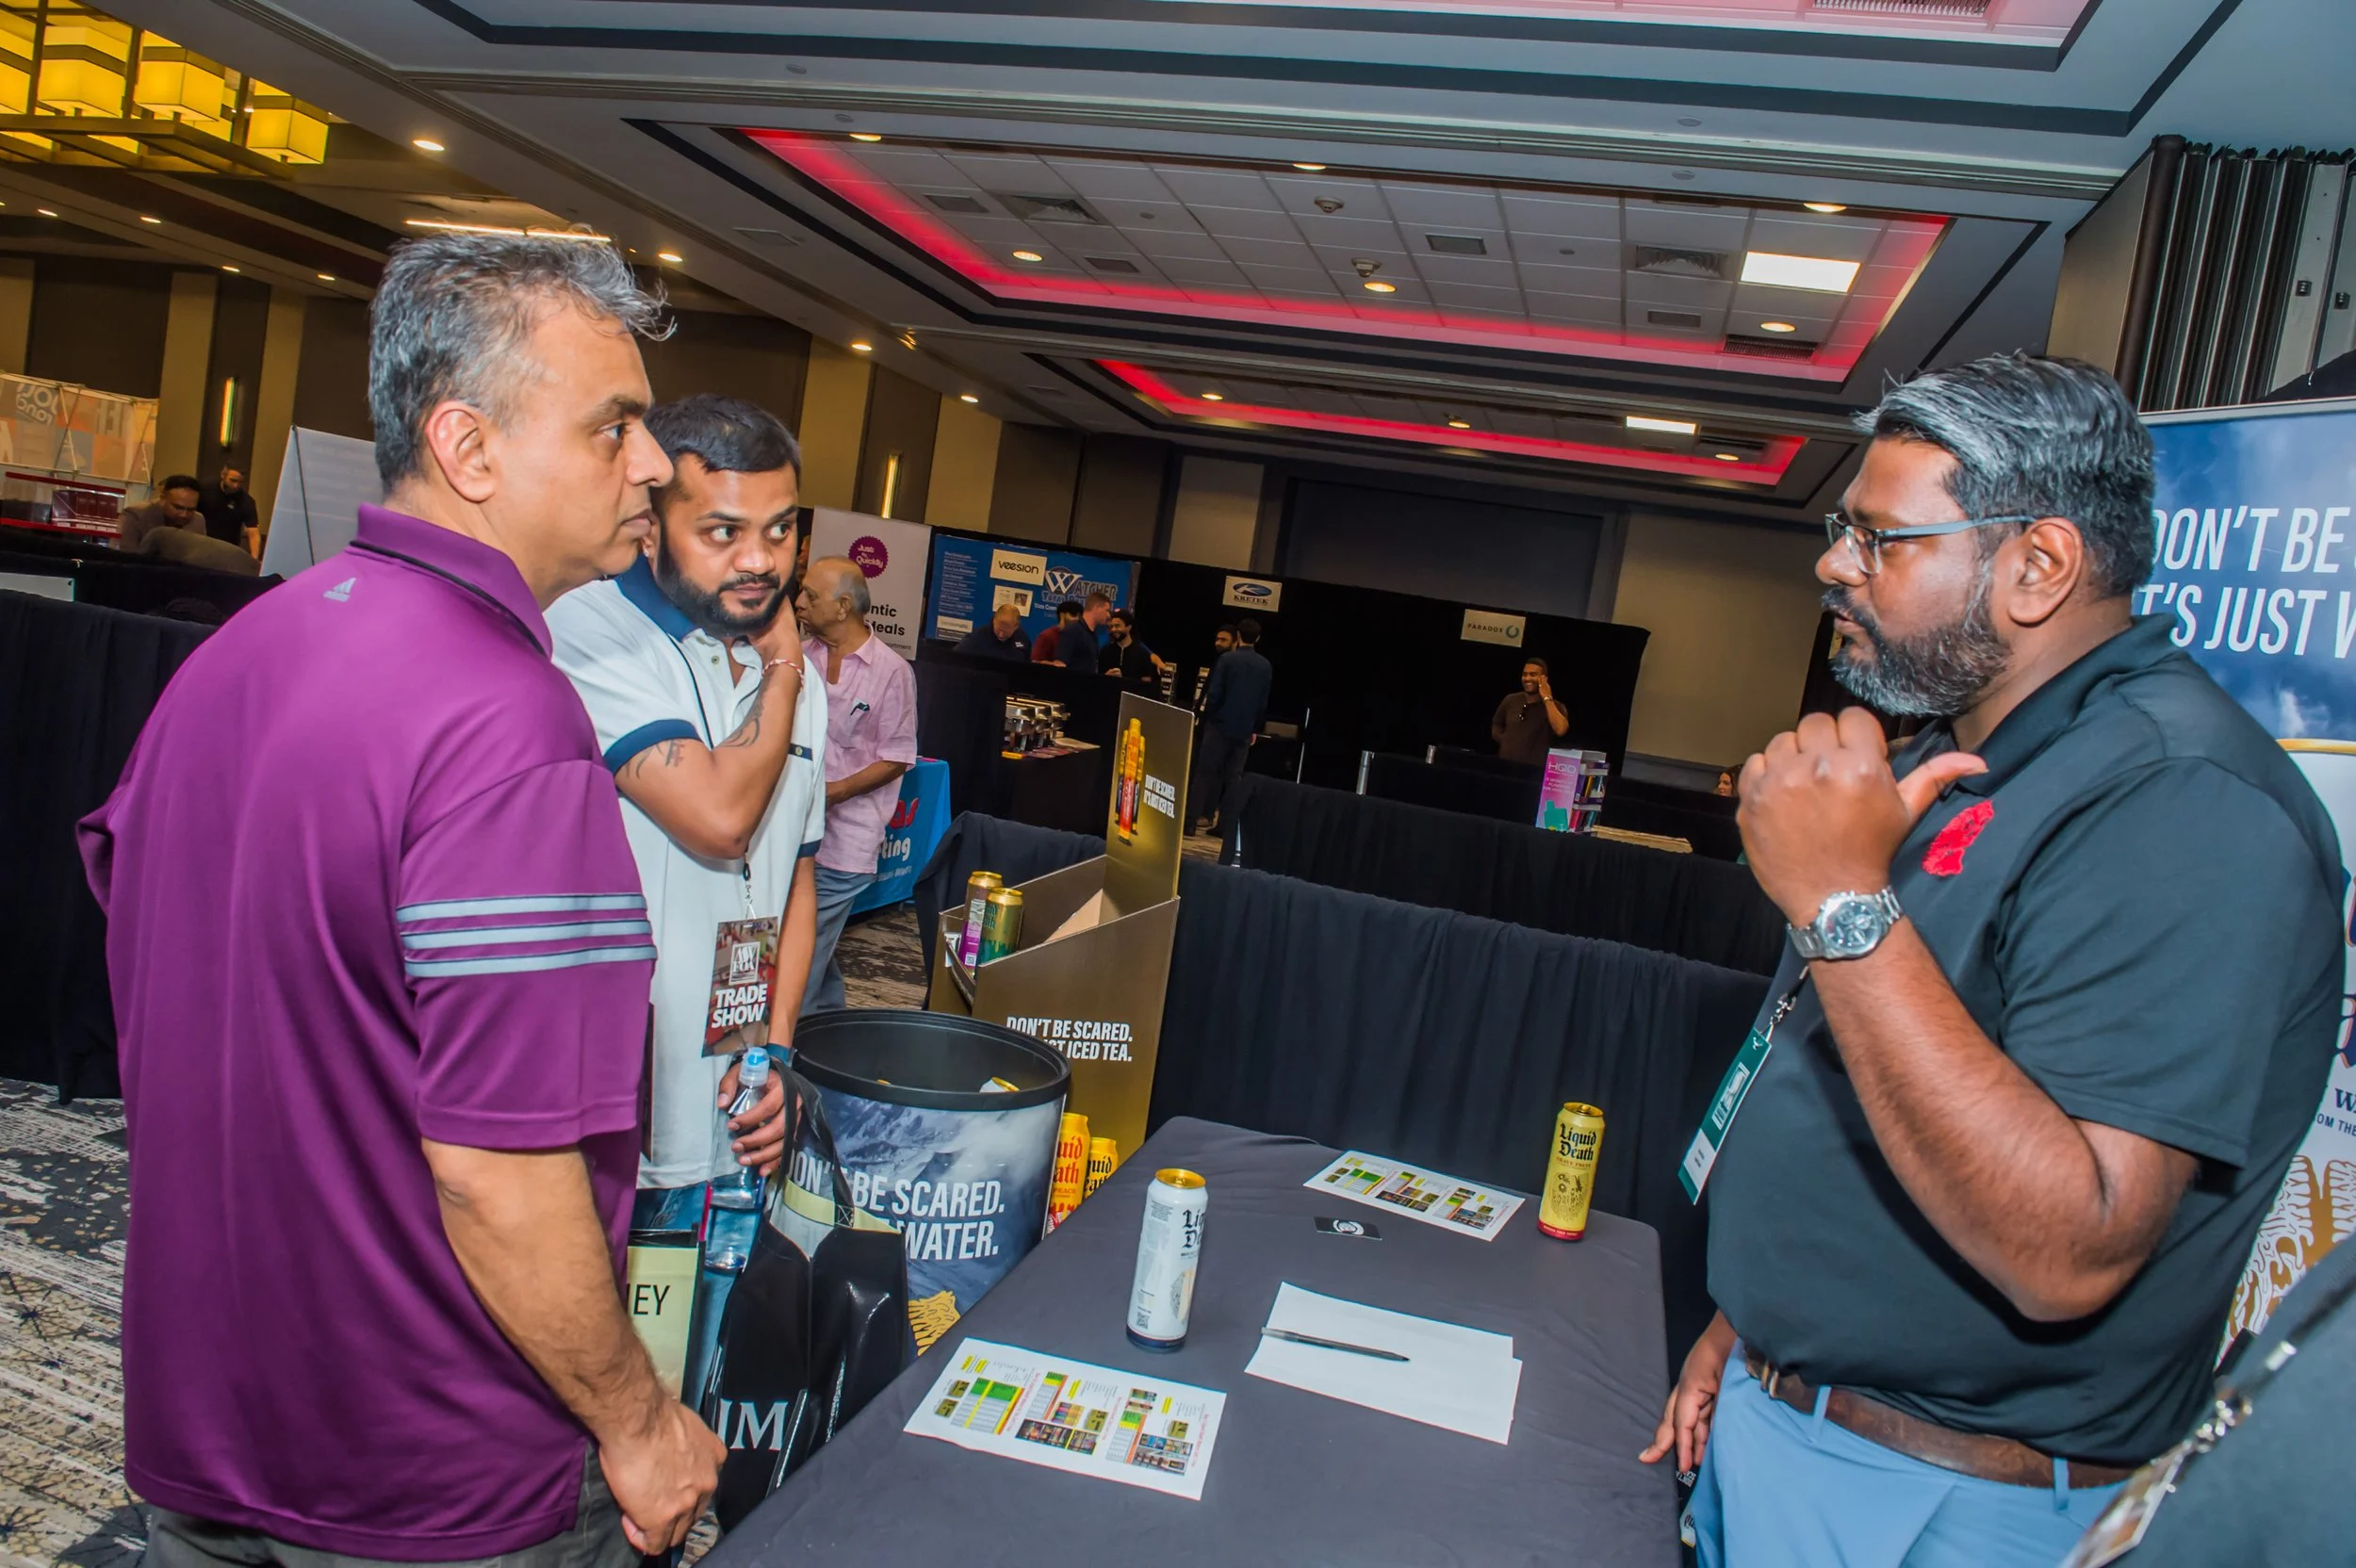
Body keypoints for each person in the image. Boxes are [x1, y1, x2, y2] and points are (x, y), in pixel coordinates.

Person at [79, 234, 725, 1562]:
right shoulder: (509, 723)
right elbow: (500, 1169)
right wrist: (638, 1420)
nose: (654, 465)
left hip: (207, 1419)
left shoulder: (239, 651)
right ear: (468, 448)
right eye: (613, 427)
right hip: (430, 1473)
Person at [1640, 354, 2341, 1568]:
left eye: (1879, 537)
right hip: (1790, 1418)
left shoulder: (2180, 798)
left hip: (1944, 1503)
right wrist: (1751, 1325)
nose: (1834, 564)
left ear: (2037, 566)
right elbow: (1872, 1074)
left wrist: (1841, 902)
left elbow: (2069, 1245)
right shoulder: (1966, 757)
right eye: (1841, 530)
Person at [544, 391, 814, 1392]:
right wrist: (786, 671)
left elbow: (790, 873)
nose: (760, 560)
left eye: (780, 529)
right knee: (590, 1387)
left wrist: (776, 1051)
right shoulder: (590, 630)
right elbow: (719, 817)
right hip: (611, 1115)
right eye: (723, 532)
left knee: (696, 1382)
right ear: (653, 523)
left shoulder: (793, 671)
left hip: (734, 1106)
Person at [797, 555, 918, 1012]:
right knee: (810, 941)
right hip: (794, 833)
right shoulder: (800, 656)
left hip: (846, 840)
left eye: (810, 596)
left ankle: (788, 1043)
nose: (799, 603)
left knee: (802, 950)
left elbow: (897, 757)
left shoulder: (891, 672)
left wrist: (832, 795)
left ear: (843, 606)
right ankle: (829, 1025)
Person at [1190, 616, 1271, 834]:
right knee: (1234, 777)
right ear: (1258, 638)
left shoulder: (1227, 660)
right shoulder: (1265, 666)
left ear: (1238, 637)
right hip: (1244, 728)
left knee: (1205, 773)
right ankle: (1225, 825)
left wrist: (1210, 718)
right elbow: (1262, 702)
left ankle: (1189, 822)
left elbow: (1214, 694)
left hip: (1219, 725)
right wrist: (1254, 727)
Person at [117, 473, 261, 576]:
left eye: (190, 509)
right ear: (162, 499)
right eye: (178, 507)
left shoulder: (198, 520)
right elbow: (126, 561)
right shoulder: (135, 516)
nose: (184, 515)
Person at [1491, 657, 1569, 764]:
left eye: (1533, 675)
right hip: (1505, 765)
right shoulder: (1510, 700)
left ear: (1544, 679)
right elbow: (1496, 726)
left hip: (1534, 770)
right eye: (1525, 674)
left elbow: (1561, 730)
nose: (1527, 678)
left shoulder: (1555, 706)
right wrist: (1507, 742)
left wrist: (1547, 698)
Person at [1106, 607, 1170, 695]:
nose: (1113, 629)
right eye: (1111, 627)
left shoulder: (1141, 652)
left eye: (1117, 626)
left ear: (1129, 627)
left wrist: (1159, 663)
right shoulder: (1106, 651)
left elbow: (1146, 687)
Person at [199, 466, 258, 547]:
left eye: (240, 482)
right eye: (233, 480)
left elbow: (253, 534)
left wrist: (255, 555)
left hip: (228, 547)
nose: (236, 486)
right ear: (223, 475)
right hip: (201, 541)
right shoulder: (204, 488)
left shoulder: (246, 501)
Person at [954, 602, 1029, 662]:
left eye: (1006, 631)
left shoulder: (1023, 639)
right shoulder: (977, 637)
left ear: (1016, 627)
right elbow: (954, 658)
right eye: (999, 629)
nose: (1001, 635)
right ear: (994, 620)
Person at [1030, 600, 1082, 665]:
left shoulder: (1080, 637)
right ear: (1062, 615)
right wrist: (1056, 665)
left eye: (1080, 616)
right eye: (1073, 615)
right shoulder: (1047, 636)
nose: (1077, 619)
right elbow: (1035, 662)